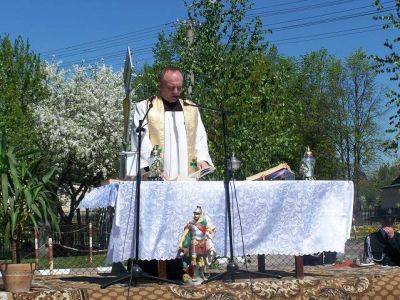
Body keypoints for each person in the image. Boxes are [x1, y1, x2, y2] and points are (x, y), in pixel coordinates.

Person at [127, 67, 213, 179]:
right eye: (171, 88)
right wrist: (154, 168)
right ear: (160, 86)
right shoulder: (145, 107)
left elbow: (200, 137)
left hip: (188, 176)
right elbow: (140, 140)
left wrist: (202, 159)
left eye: (179, 88)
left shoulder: (191, 108)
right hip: (157, 176)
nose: (176, 92)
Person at [178, 206, 216, 283]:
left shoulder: (204, 223)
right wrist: (181, 242)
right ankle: (194, 275)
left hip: (202, 242)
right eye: (195, 213)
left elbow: (210, 231)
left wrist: (211, 232)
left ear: (200, 214)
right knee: (193, 259)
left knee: (202, 260)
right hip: (194, 242)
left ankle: (202, 274)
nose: (196, 215)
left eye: (197, 214)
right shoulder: (190, 223)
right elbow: (184, 234)